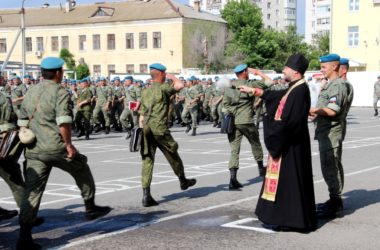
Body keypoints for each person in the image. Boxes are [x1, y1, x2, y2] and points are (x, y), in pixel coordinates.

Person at [16, 57, 111, 249]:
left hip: (34, 149)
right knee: (81, 167)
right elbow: (64, 122)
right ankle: (90, 207)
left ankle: (24, 238)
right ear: (58, 73)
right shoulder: (60, 92)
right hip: (56, 147)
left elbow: (22, 122)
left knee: (32, 192)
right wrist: (69, 144)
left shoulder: (31, 91)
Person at [239, 54, 317, 232]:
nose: (283, 70)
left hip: (290, 145)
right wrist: (256, 91)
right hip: (288, 143)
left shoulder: (299, 90)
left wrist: (272, 132)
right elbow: (278, 96)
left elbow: (291, 121)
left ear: (296, 72)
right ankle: (284, 217)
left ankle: (292, 220)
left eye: (286, 68)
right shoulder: (294, 87)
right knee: (285, 183)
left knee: (290, 184)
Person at [139, 63, 196, 207]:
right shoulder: (164, 88)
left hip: (146, 128)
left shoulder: (145, 91)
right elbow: (180, 85)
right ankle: (183, 180)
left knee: (147, 160)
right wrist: (172, 76)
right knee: (173, 153)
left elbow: (141, 114)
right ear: (162, 74)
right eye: (165, 74)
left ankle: (146, 196)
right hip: (160, 129)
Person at [309, 54, 349, 219]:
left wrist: (311, 109)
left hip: (332, 133)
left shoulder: (338, 85)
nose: (321, 69)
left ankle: (336, 203)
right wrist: (315, 114)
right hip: (325, 132)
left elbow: (332, 110)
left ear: (334, 67)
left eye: (324, 66)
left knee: (331, 166)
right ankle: (334, 199)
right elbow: (324, 108)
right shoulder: (330, 84)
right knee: (328, 167)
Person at [223, 64, 266, 190]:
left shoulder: (229, 86)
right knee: (255, 143)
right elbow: (268, 82)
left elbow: (225, 105)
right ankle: (261, 169)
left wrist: (234, 111)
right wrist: (258, 72)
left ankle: (232, 178)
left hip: (233, 121)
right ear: (245, 72)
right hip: (246, 120)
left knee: (234, 150)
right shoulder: (250, 84)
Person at [339, 58, 354, 140]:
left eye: (337, 68)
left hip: (337, 125)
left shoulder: (345, 85)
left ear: (344, 70)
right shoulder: (339, 84)